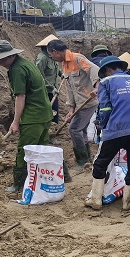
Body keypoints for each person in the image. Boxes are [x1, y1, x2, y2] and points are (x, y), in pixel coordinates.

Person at [86, 56, 130, 212]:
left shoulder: (106, 83)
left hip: (116, 129)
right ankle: (128, 201)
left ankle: (96, 199)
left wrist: (103, 126)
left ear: (107, 70)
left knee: (101, 162)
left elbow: (105, 109)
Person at [0, 40, 57, 194]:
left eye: (1, 59)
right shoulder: (26, 63)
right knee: (42, 148)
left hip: (33, 116)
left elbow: (20, 96)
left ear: (10, 56)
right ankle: (55, 177)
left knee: (24, 150)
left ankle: (19, 184)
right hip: (44, 113)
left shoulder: (16, 70)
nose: (0, 63)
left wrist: (15, 121)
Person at [46, 39, 100, 172]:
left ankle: (82, 161)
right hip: (79, 103)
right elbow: (70, 89)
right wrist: (71, 109)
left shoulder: (77, 58)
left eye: (51, 54)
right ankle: (87, 159)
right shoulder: (64, 65)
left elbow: (95, 69)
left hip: (88, 101)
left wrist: (97, 87)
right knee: (81, 130)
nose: (51, 57)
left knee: (74, 129)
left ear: (55, 51)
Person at [34, 34, 61, 124]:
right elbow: (39, 77)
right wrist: (51, 88)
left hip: (53, 91)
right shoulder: (42, 59)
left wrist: (62, 74)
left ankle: (53, 134)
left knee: (54, 113)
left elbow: (56, 69)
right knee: (47, 114)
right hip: (44, 92)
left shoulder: (52, 58)